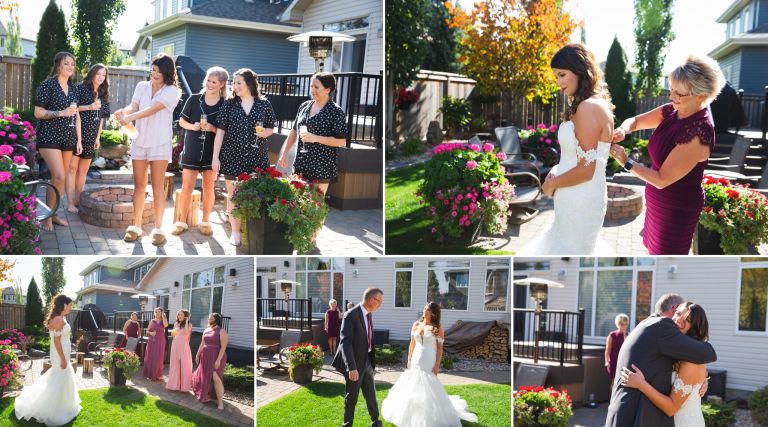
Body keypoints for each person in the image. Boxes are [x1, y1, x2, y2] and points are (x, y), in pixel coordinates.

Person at [609, 55, 725, 255]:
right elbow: (635, 121)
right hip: (656, 200)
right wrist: (623, 129)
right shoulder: (673, 111)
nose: (672, 97)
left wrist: (626, 162)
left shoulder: (698, 133)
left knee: (666, 258)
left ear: (702, 95)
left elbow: (662, 180)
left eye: (679, 93)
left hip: (676, 208)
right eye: (672, 90)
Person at [517, 44, 615, 255]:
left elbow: (587, 169)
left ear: (579, 70)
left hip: (580, 197)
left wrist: (550, 185)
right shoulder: (592, 104)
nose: (559, 83)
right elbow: (581, 156)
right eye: (556, 77)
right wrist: (558, 168)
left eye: (562, 75)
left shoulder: (588, 108)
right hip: (577, 193)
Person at [605, 293, 716, 427]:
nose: (678, 319)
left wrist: (702, 378)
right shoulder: (663, 329)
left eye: (686, 319)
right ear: (674, 308)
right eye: (678, 313)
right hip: (638, 414)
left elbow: (708, 354)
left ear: (694, 328)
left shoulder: (651, 325)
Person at [115, 53, 181, 245]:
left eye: (159, 71)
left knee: (158, 186)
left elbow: (153, 109)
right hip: (139, 140)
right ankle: (136, 226)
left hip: (160, 142)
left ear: (167, 73)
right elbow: (134, 105)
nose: (154, 74)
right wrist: (124, 112)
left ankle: (159, 229)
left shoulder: (172, 91)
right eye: (152, 70)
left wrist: (130, 117)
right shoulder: (142, 86)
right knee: (139, 186)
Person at [382, 302, 478, 426]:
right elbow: (412, 344)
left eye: (427, 310)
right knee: (412, 382)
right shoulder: (416, 324)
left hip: (428, 358)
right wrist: (409, 359)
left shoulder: (437, 328)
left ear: (433, 313)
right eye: (424, 309)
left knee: (426, 383)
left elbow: (439, 349)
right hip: (416, 357)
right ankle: (410, 413)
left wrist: (437, 365)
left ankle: (430, 415)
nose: (424, 311)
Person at [212, 68, 275, 247]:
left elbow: (271, 127)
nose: (235, 86)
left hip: (257, 157)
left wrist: (265, 133)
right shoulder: (229, 104)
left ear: (249, 84)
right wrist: (215, 158)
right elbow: (220, 132)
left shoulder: (263, 104)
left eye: (239, 82)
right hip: (232, 156)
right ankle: (235, 233)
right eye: (234, 82)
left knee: (257, 195)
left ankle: (252, 230)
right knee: (233, 196)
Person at [173, 67, 229, 237]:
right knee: (186, 186)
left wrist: (212, 128)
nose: (210, 84)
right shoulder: (194, 99)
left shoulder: (225, 104)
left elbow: (226, 130)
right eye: (208, 80)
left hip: (212, 152)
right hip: (192, 148)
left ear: (222, 84)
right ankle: (181, 222)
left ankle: (205, 221)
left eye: (214, 82)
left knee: (208, 186)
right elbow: (182, 121)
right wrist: (193, 126)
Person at [14, 294, 81, 425]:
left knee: (60, 376)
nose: (71, 307)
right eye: (69, 305)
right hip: (59, 352)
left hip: (63, 350)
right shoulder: (58, 320)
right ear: (64, 305)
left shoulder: (61, 317)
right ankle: (54, 409)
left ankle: (63, 405)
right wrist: (62, 359)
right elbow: (56, 342)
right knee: (59, 376)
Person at [278, 72, 348, 197]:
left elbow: (341, 141)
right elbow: (294, 130)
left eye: (316, 87)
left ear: (327, 89)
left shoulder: (335, 111)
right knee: (297, 204)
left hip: (321, 166)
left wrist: (316, 138)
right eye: (311, 86)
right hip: (300, 164)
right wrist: (285, 153)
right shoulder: (304, 106)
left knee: (315, 207)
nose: (312, 90)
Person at [33, 51, 81, 231]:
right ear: (58, 65)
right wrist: (61, 113)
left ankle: (53, 215)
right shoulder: (48, 85)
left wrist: (78, 139)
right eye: (66, 63)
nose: (70, 67)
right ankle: (46, 216)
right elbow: (38, 112)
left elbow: (76, 114)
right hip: (49, 136)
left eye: (72, 64)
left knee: (59, 180)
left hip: (68, 137)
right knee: (59, 176)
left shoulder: (74, 88)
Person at [332, 288, 385, 427]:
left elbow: (367, 339)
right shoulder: (351, 315)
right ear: (371, 300)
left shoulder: (368, 314)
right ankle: (347, 425)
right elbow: (345, 342)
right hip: (354, 364)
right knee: (352, 397)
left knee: (371, 394)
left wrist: (371, 362)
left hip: (366, 361)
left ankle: (376, 422)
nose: (380, 304)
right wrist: (352, 368)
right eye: (379, 301)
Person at [66, 63, 110, 214]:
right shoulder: (80, 88)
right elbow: (73, 108)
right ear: (92, 74)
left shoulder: (104, 93)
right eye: (98, 74)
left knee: (83, 171)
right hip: (76, 133)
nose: (100, 77)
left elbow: (102, 118)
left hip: (92, 136)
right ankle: (70, 202)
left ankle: (78, 200)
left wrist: (98, 137)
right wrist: (90, 107)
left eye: (103, 75)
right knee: (72, 169)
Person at [192, 313, 229, 410]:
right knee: (205, 377)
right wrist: (197, 354)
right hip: (205, 357)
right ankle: (206, 395)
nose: (209, 320)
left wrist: (218, 360)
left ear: (216, 319)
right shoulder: (206, 330)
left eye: (211, 318)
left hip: (216, 356)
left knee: (216, 378)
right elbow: (202, 343)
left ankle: (220, 403)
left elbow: (223, 348)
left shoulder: (222, 331)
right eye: (208, 318)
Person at [166, 309, 193, 392]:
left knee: (184, 364)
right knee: (175, 363)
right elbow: (173, 334)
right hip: (175, 344)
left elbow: (186, 333)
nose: (179, 316)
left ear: (185, 316)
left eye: (181, 315)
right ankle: (174, 385)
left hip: (184, 345)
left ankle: (184, 386)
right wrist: (173, 333)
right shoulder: (176, 324)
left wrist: (186, 321)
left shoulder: (189, 324)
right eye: (178, 315)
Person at [143, 307, 168, 380]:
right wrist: (151, 333)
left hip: (161, 340)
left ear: (162, 313)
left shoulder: (163, 320)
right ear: (154, 313)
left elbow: (166, 325)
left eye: (159, 312)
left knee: (159, 356)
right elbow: (147, 331)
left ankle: (158, 374)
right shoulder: (152, 321)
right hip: (152, 340)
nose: (157, 313)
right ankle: (150, 374)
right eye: (156, 312)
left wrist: (164, 317)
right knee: (151, 356)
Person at [605, 313, 629, 388]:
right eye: (622, 324)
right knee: (613, 381)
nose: (624, 326)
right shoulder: (612, 335)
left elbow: (627, 347)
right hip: (614, 360)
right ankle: (612, 399)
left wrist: (625, 335)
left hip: (624, 360)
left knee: (624, 380)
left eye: (625, 324)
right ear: (618, 324)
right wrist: (606, 361)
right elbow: (608, 349)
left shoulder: (629, 335)